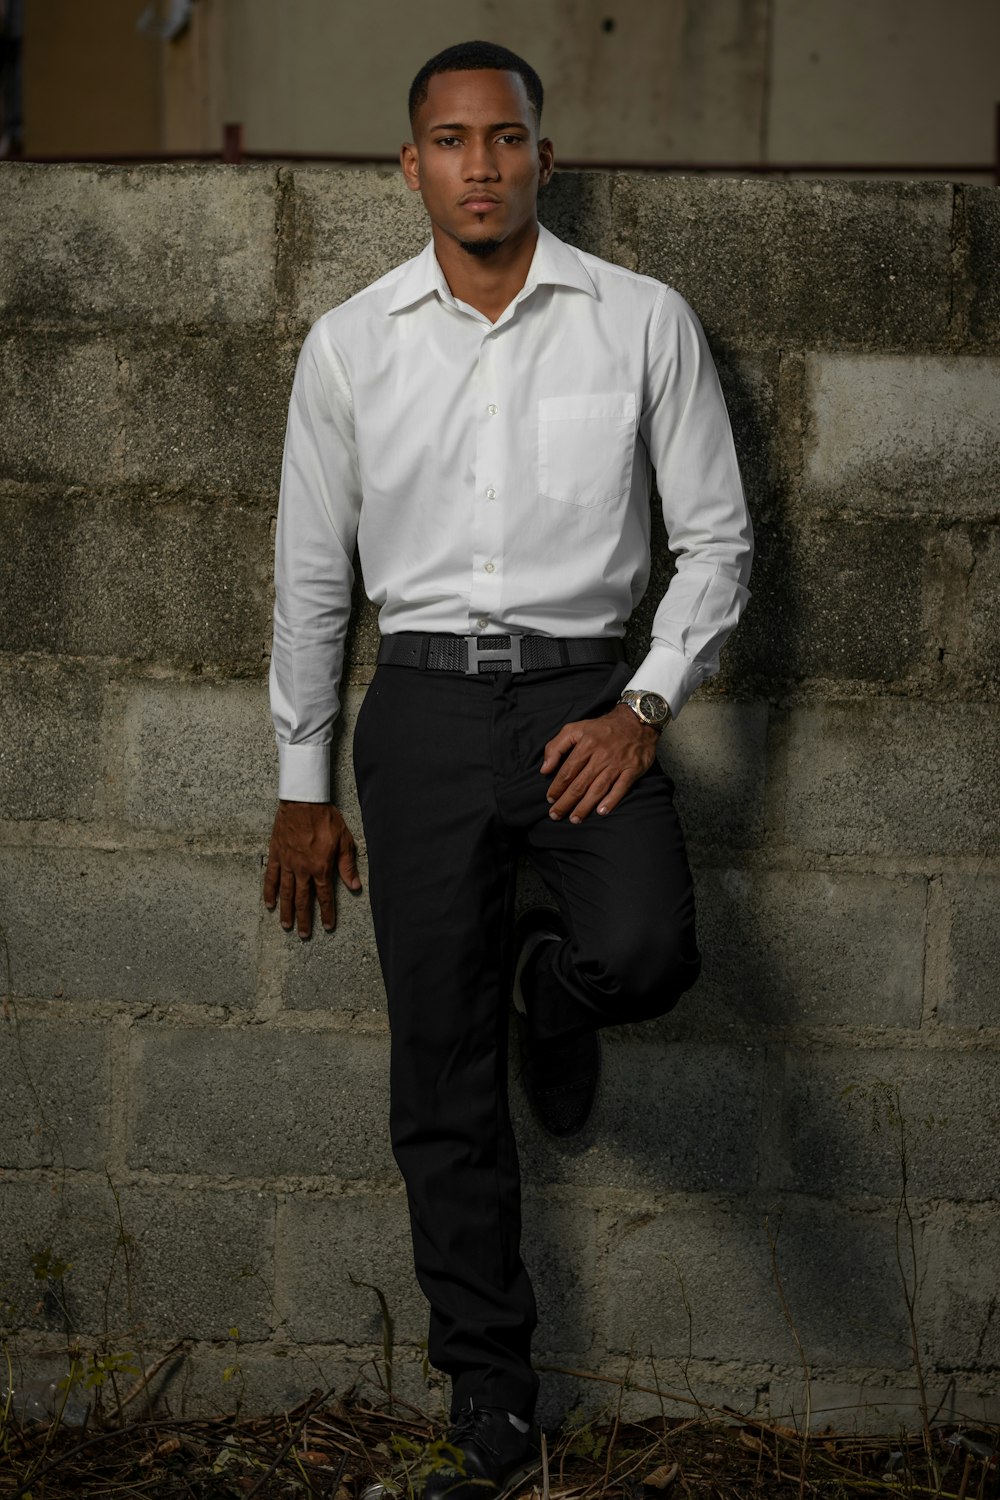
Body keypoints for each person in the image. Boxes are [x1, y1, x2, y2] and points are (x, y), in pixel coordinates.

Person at [263, 39, 753, 1500]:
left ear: (545, 153)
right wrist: (302, 781)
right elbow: (310, 580)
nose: (481, 162)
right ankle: (492, 1392)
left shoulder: (639, 322)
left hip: (584, 701)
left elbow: (716, 542)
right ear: (407, 165)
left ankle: (559, 988)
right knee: (440, 1066)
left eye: (506, 137)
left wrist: (646, 705)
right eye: (451, 140)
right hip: (416, 716)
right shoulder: (352, 343)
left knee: (650, 947)